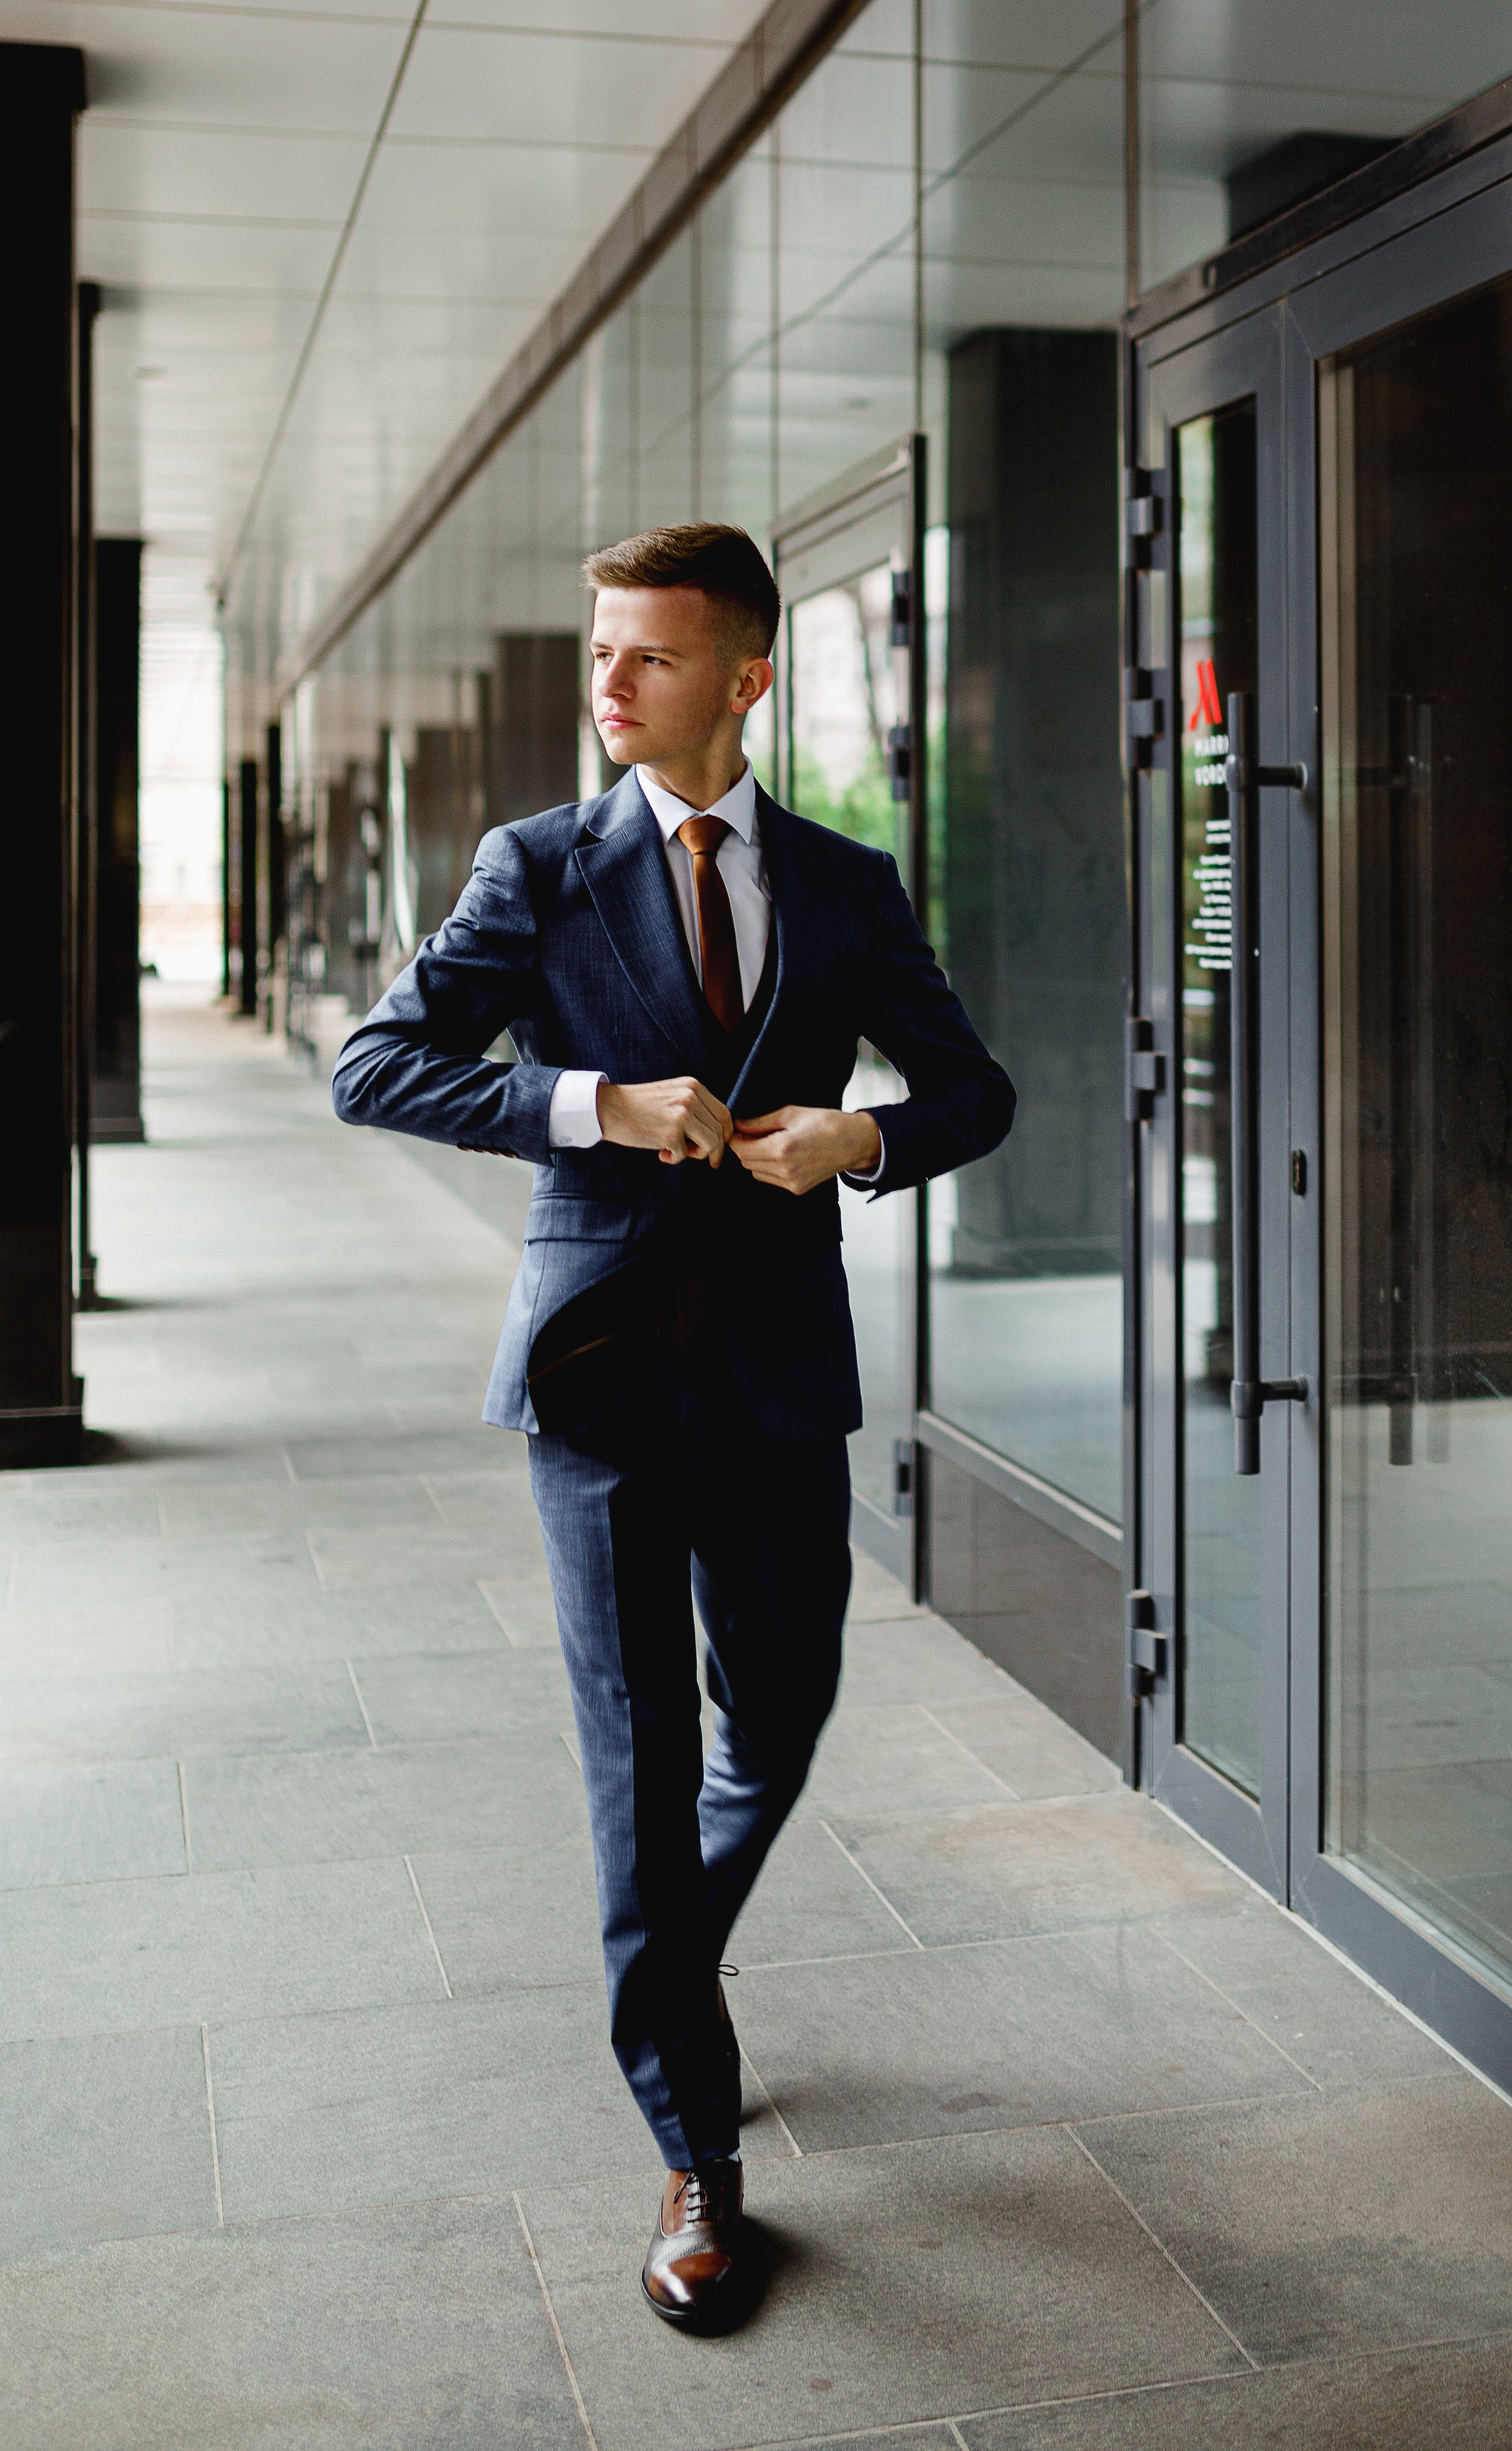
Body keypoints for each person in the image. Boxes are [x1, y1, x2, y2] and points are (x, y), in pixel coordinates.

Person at [331, 523, 1014, 2331]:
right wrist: (591, 1102)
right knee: (638, 1760)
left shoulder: (845, 882)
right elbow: (374, 1064)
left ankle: (663, 1963)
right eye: (600, 651)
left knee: (777, 1715)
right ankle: (694, 2149)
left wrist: (857, 1138)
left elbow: (973, 1089)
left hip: (779, 1377)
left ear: (744, 677)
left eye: (649, 654)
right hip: (601, 1381)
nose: (609, 682)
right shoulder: (538, 865)